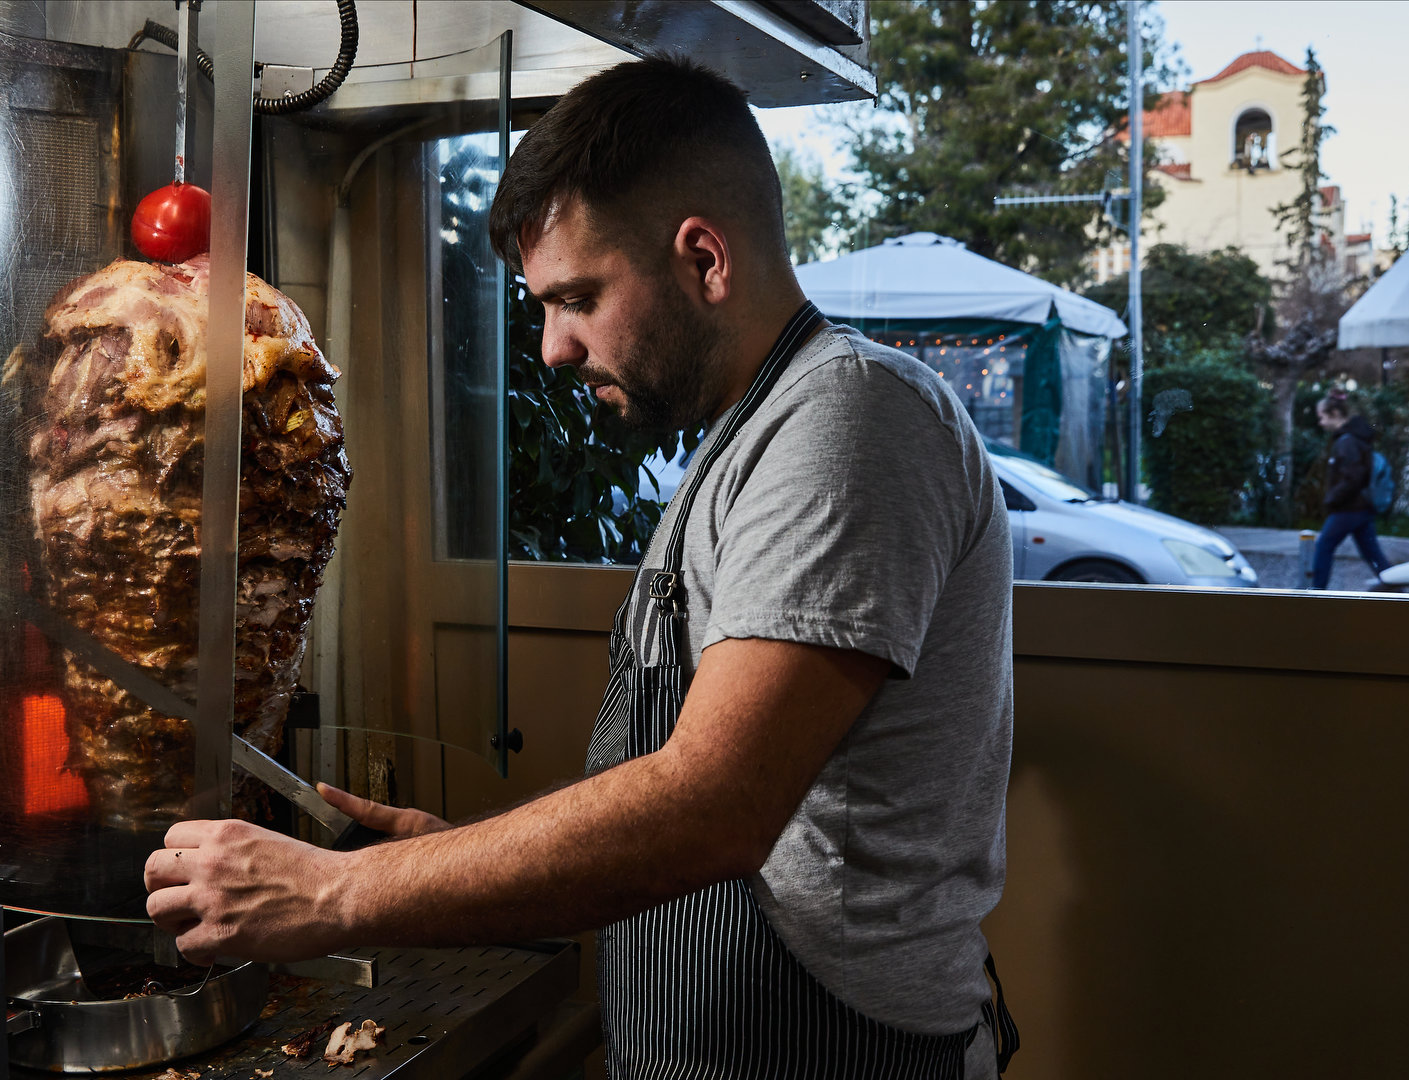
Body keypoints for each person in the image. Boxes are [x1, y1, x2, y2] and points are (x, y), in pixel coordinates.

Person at [143, 57, 1018, 1079]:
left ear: (704, 258)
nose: (553, 348)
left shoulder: (847, 422)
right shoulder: (746, 440)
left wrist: (333, 895)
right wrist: (444, 855)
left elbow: (712, 808)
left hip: (836, 1053)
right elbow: (682, 782)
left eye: (579, 297)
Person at [1311, 391, 1391, 590]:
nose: (1320, 423)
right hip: (1362, 507)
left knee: (1324, 546)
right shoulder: (1356, 438)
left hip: (1349, 508)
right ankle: (1396, 587)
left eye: (1322, 417)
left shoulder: (1347, 442)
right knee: (1372, 553)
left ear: (1335, 413)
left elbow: (1353, 478)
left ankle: (1316, 594)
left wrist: (1332, 499)